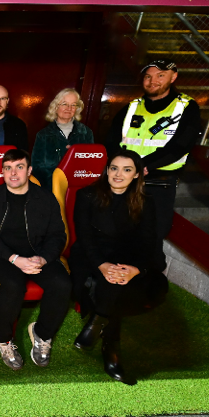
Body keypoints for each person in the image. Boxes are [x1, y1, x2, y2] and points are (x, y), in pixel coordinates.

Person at [70, 149, 168, 385]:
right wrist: (102, 265)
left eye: (126, 170)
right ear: (107, 170)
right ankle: (111, 349)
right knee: (111, 280)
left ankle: (98, 321)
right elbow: (85, 238)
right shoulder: (87, 195)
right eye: (114, 168)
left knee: (118, 280)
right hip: (90, 256)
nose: (118, 174)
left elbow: (149, 241)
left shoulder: (145, 201)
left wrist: (135, 269)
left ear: (137, 175)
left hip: (127, 258)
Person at [0, 149, 70, 370]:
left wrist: (44, 259)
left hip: (37, 253)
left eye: (19, 167)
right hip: (0, 254)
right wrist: (15, 259)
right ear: (2, 172)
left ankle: (42, 333)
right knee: (13, 285)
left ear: (29, 171)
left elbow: (58, 235)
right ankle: (3, 337)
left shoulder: (45, 198)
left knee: (62, 283)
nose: (13, 173)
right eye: (8, 168)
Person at [105, 58, 202, 239]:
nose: (153, 81)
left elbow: (181, 145)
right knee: (117, 235)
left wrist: (143, 166)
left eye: (160, 75)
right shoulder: (132, 107)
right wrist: (124, 169)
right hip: (125, 182)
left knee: (153, 238)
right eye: (148, 76)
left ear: (173, 77)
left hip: (159, 185)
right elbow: (111, 141)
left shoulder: (187, 107)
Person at [31, 88, 95, 190]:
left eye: (73, 105)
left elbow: (90, 164)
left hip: (78, 188)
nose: (69, 108)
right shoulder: (43, 134)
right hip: (51, 188)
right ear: (56, 107)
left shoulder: (86, 133)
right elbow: (37, 166)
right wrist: (55, 183)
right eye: (64, 104)